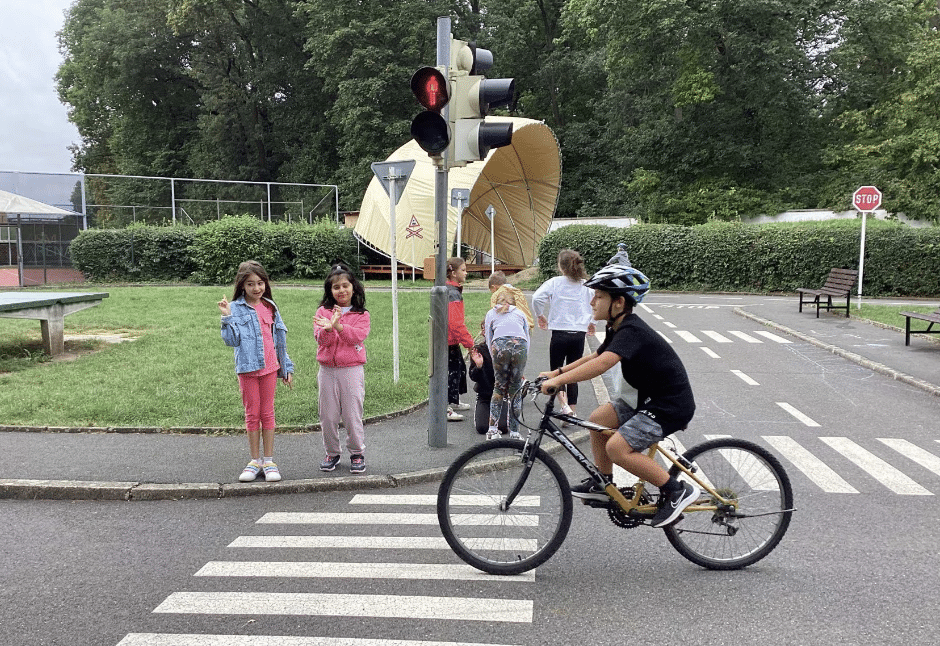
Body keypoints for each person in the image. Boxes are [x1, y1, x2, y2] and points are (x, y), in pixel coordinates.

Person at [539, 264, 699, 528]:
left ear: (619, 302)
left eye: (599, 296)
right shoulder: (618, 327)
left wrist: (558, 381)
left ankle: (676, 490)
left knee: (617, 448)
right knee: (597, 419)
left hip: (668, 405)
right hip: (643, 399)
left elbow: (602, 365)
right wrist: (556, 371)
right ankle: (604, 483)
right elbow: (596, 356)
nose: (592, 301)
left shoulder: (632, 331)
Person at [219, 260, 295, 483]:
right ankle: (254, 461)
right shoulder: (234, 308)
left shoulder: (270, 307)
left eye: (260, 283)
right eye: (250, 284)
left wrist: (286, 367)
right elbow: (231, 341)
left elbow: (280, 339)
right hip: (247, 369)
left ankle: (269, 461)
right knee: (252, 414)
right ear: (242, 285)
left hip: (270, 367)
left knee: (267, 413)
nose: (256, 288)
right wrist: (226, 317)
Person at [314, 264, 371, 474]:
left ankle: (357, 453)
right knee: (327, 415)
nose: (341, 290)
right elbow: (321, 340)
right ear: (330, 290)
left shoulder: (361, 314)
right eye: (336, 287)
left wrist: (338, 326)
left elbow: (357, 336)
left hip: (351, 370)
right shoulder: (323, 312)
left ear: (353, 288)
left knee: (351, 414)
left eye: (345, 285)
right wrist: (328, 329)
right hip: (327, 370)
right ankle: (332, 453)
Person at [531, 249, 596, 422]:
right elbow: (596, 302)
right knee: (574, 371)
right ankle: (572, 412)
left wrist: (540, 315)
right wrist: (592, 322)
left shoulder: (555, 283)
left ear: (561, 266)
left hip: (559, 332)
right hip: (579, 334)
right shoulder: (586, 285)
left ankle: (564, 406)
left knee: (558, 371)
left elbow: (537, 297)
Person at [484, 288, 530, 439]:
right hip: (520, 345)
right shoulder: (520, 314)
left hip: (500, 345)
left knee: (499, 388)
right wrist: (523, 359)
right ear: (513, 303)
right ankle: (515, 432)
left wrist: (494, 358)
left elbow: (489, 337)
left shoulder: (491, 313)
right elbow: (527, 338)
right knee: (516, 388)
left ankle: (492, 429)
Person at [445, 257, 475, 421]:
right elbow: (455, 323)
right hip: (448, 340)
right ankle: (446, 407)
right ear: (454, 273)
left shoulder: (451, 290)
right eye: (463, 270)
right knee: (451, 372)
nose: (466, 273)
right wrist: (470, 344)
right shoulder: (452, 293)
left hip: (449, 339)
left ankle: (453, 400)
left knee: (458, 367)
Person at [467, 325, 509, 436]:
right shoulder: (479, 350)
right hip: (484, 396)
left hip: (500, 395)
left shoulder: (505, 349)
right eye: (484, 330)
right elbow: (473, 376)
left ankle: (507, 408)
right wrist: (479, 366)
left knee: (502, 427)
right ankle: (482, 412)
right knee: (482, 428)